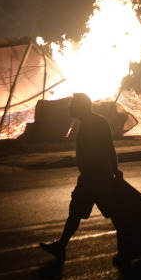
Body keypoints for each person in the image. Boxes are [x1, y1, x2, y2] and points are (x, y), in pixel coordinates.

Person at [40, 93, 127, 265]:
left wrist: (114, 170)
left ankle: (126, 250)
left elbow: (109, 148)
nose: (69, 107)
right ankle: (61, 246)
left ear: (81, 107)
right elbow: (108, 148)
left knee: (113, 214)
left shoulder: (95, 124)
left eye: (73, 105)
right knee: (78, 212)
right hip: (92, 177)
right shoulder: (91, 123)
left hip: (96, 178)